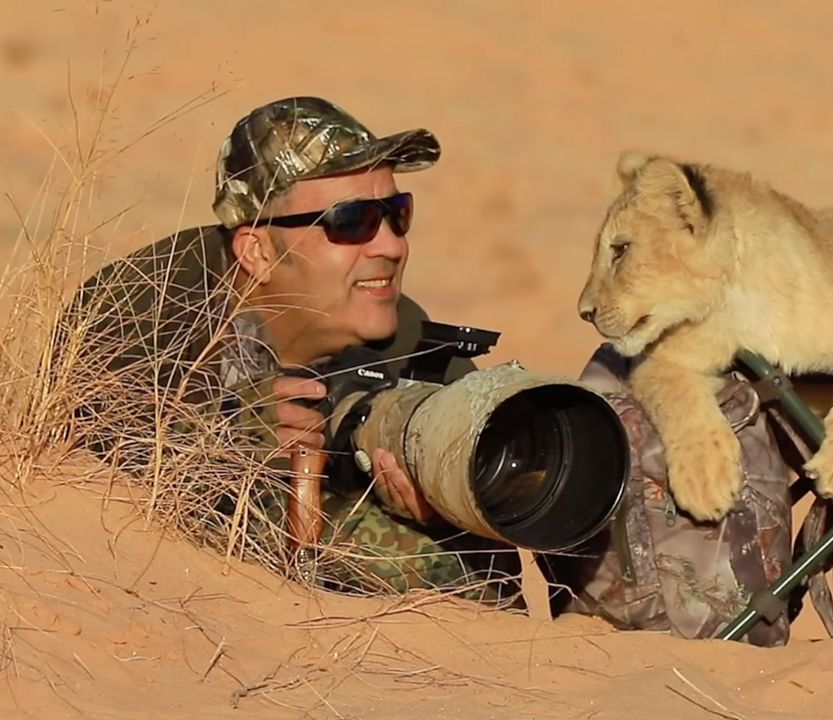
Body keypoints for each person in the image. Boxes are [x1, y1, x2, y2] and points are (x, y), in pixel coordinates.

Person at [56, 96, 523, 606]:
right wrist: (225, 434)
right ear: (256, 251)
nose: (391, 246)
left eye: (397, 213)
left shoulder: (403, 330)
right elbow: (78, 473)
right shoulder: (143, 306)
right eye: (352, 221)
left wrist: (444, 494)